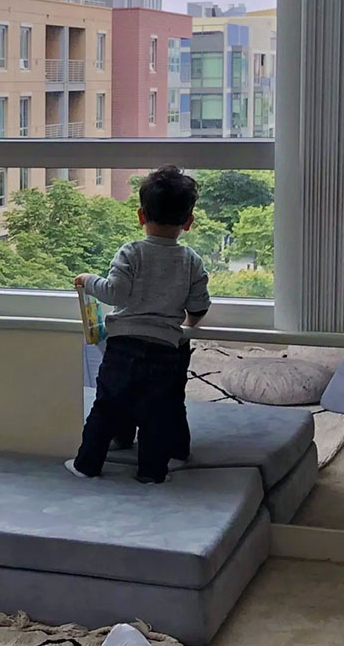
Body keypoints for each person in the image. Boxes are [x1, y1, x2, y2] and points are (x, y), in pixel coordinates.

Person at [66, 165, 210, 484]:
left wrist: (88, 280)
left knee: (105, 407)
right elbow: (199, 306)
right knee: (156, 416)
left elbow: (115, 291)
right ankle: (152, 474)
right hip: (164, 353)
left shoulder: (131, 252)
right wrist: (189, 322)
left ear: (140, 216)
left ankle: (86, 465)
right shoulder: (191, 261)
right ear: (188, 222)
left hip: (123, 348)